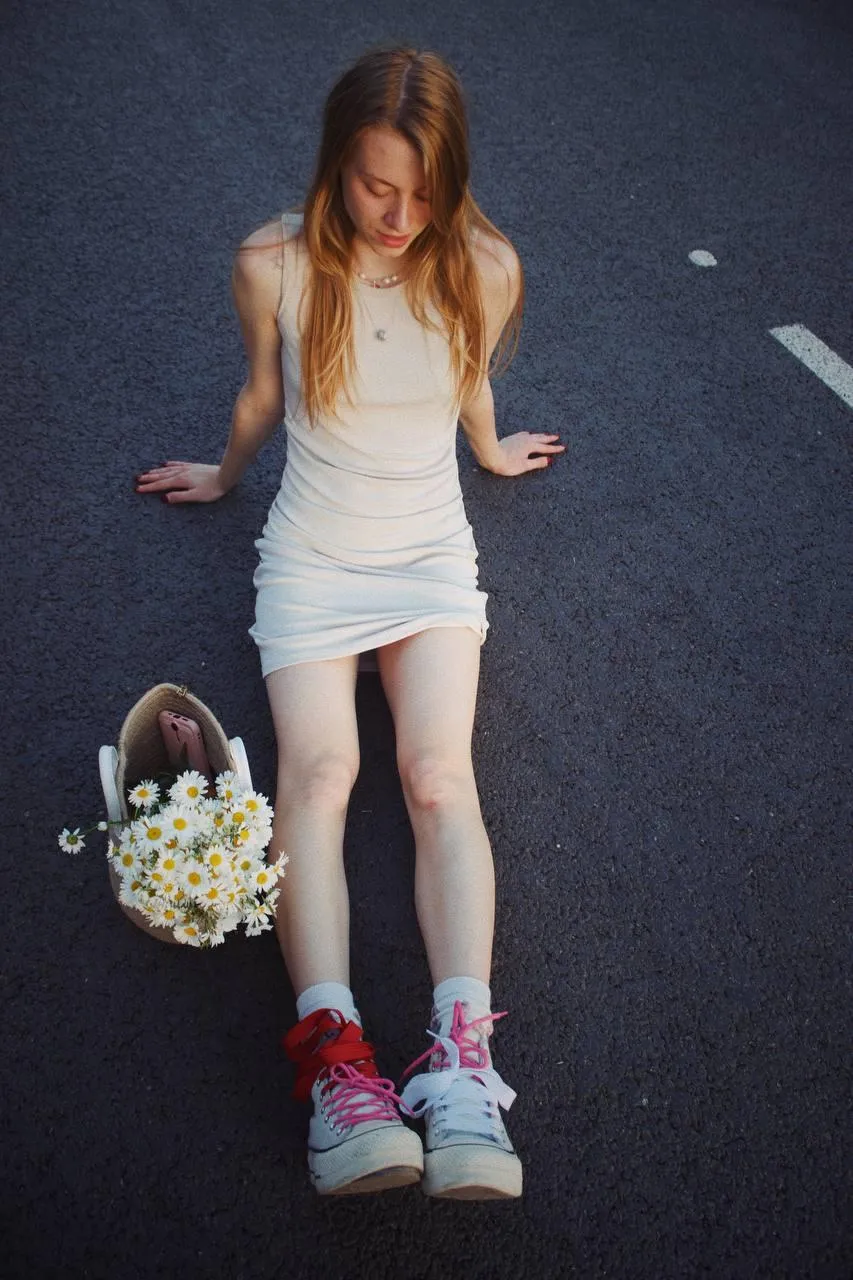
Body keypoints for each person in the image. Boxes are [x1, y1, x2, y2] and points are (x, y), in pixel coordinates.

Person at [136, 46, 564, 1199]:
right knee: (319, 775)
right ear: (338, 165)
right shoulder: (271, 263)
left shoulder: (482, 262)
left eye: (424, 191)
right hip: (314, 561)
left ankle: (464, 1066)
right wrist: (225, 477)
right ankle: (339, 1064)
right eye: (379, 185)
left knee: (436, 777)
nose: (400, 214)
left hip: (428, 557)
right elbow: (261, 397)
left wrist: (486, 448)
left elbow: (470, 371)